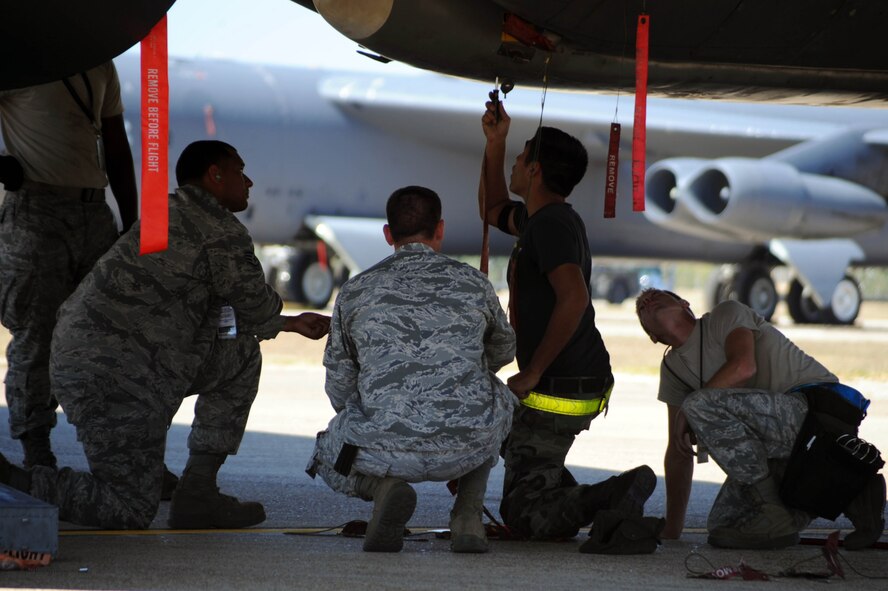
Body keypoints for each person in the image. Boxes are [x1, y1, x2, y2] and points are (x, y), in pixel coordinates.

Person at [0, 140, 330, 530]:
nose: (250, 182)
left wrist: (285, 323)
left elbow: (226, 310)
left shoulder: (164, 215)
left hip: (107, 360)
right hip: (115, 375)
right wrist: (285, 320)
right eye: (240, 171)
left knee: (240, 353)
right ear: (215, 175)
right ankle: (17, 481)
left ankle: (197, 494)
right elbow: (257, 305)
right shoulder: (218, 230)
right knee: (129, 507)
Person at [479, 97, 655, 542]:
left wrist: (534, 370)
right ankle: (601, 505)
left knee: (523, 516)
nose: (516, 165)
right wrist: (496, 143)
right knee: (509, 439)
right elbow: (491, 208)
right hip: (575, 380)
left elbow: (573, 298)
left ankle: (610, 497)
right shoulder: (543, 219)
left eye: (520, 157)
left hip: (562, 386)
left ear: (535, 170)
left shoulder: (550, 225)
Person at [307, 185, 516, 553]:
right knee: (497, 396)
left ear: (388, 235)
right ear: (440, 230)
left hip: (382, 446)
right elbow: (503, 349)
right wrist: (463, 376)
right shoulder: (474, 283)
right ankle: (468, 514)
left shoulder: (356, 291)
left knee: (326, 451)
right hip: (466, 442)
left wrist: (376, 411)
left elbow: (339, 386)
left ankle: (383, 488)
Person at [635, 288, 886, 549]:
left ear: (685, 304)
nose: (647, 300)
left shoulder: (725, 314)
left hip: (817, 415)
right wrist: (672, 528)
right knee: (724, 526)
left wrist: (690, 408)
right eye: (641, 307)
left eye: (656, 295)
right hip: (775, 441)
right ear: (652, 337)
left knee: (698, 404)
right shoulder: (673, 371)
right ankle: (858, 495)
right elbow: (678, 450)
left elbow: (744, 366)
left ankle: (775, 512)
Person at [0, 61, 138, 471]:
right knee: (36, 334)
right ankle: (35, 448)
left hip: (92, 212)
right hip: (37, 211)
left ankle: (113, 453)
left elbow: (115, 143)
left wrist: (130, 223)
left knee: (101, 336)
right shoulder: (21, 59)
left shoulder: (99, 62)